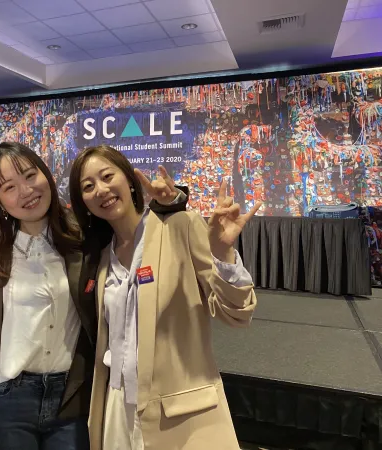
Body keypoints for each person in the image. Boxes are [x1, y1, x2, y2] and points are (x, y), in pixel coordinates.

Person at [0, 142, 187, 450]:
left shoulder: (85, 239)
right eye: (9, 187)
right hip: (13, 397)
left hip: (71, 394)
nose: (26, 190)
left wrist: (172, 204)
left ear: (46, 174)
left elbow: (137, 230)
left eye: (31, 176)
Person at [68, 144, 260, 450]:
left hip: (180, 415)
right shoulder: (102, 258)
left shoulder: (179, 227)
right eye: (88, 187)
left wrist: (223, 252)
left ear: (130, 180)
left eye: (107, 176)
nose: (101, 190)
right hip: (116, 410)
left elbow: (237, 312)